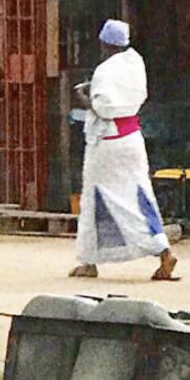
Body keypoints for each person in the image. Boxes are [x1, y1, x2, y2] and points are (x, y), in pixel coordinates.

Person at [70, 19, 177, 281]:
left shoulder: (105, 70)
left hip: (108, 143)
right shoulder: (135, 63)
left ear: (105, 44)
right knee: (140, 195)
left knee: (98, 198)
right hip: (132, 139)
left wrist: (83, 97)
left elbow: (103, 107)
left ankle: (91, 261)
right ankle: (162, 249)